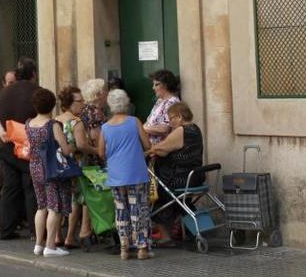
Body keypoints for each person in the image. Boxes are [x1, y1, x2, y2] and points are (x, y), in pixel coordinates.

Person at [99, 89, 153, 260]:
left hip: (116, 175)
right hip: (136, 172)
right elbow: (147, 145)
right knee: (139, 209)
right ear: (126, 103)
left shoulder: (105, 127)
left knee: (121, 210)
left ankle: (124, 249)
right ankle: (142, 248)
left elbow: (101, 152)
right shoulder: (134, 121)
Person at [0, 57, 40, 240]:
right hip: (28, 147)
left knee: (10, 188)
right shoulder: (38, 92)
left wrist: (1, 132)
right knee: (31, 188)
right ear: (34, 74)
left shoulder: (3, 93)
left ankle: (6, 228)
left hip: (7, 146)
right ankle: (36, 231)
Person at [27, 88, 75, 257]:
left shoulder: (29, 123)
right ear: (53, 105)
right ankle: (50, 246)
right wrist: (72, 147)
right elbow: (65, 149)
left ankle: (38, 244)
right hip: (51, 168)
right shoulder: (52, 125)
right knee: (54, 207)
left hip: (34, 166)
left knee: (41, 206)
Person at [147, 102, 203, 243]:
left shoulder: (181, 130)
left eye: (171, 118)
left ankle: (165, 235)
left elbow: (161, 148)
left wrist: (149, 151)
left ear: (180, 116)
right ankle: (192, 231)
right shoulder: (195, 129)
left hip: (180, 178)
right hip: (195, 176)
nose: (170, 122)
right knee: (180, 201)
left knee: (157, 194)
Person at [56, 86, 94, 248]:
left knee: (58, 200)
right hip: (75, 165)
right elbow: (82, 145)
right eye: (80, 101)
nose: (83, 104)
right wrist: (98, 150)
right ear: (69, 103)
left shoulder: (56, 119)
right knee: (76, 201)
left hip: (59, 164)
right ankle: (70, 237)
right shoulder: (76, 122)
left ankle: (57, 236)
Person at [144, 69, 181, 145]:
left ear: (166, 85)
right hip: (151, 147)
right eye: (153, 84)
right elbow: (149, 122)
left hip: (162, 150)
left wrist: (141, 129)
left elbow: (165, 128)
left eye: (156, 84)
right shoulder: (160, 100)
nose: (153, 88)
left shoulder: (172, 102)